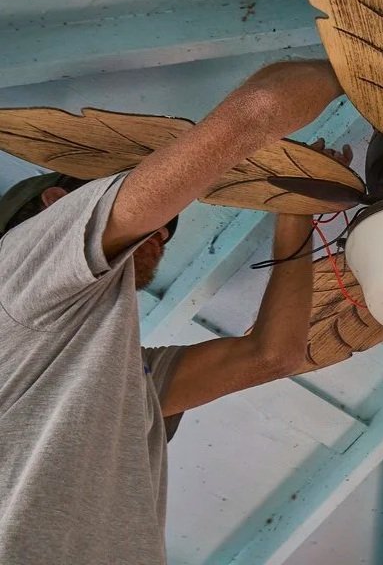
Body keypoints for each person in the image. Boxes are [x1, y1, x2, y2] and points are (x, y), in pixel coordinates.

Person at [0, 60, 350, 565]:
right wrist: (350, 63)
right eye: (155, 218)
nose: (161, 234)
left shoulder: (117, 371)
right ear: (58, 204)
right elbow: (256, 114)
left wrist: (293, 221)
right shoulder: (20, 262)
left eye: (166, 230)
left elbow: (272, 354)